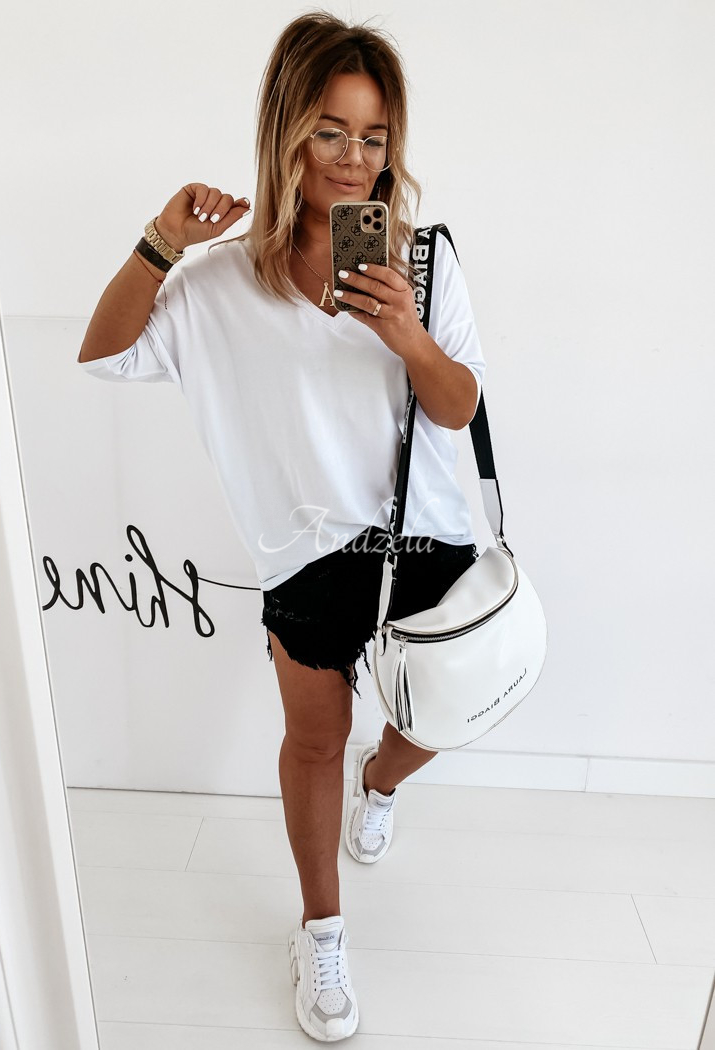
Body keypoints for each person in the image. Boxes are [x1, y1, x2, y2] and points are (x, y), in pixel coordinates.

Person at [78, 9, 486, 1042]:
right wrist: (161, 243)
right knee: (312, 742)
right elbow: (104, 355)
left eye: (374, 136)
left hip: (426, 540)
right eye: (330, 130)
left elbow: (458, 408)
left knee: (445, 713)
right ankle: (320, 928)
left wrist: (406, 334)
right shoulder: (218, 283)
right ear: (286, 132)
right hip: (304, 556)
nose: (354, 158)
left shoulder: (423, 264)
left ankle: (381, 782)